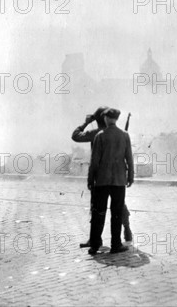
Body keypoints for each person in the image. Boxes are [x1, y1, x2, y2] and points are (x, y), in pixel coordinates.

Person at [72, 106, 133, 248]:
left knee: (97, 208)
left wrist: (86, 123)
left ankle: (95, 240)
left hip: (101, 176)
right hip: (117, 178)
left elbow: (75, 136)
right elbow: (129, 157)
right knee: (118, 206)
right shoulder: (121, 134)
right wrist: (130, 175)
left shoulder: (96, 133)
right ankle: (126, 230)